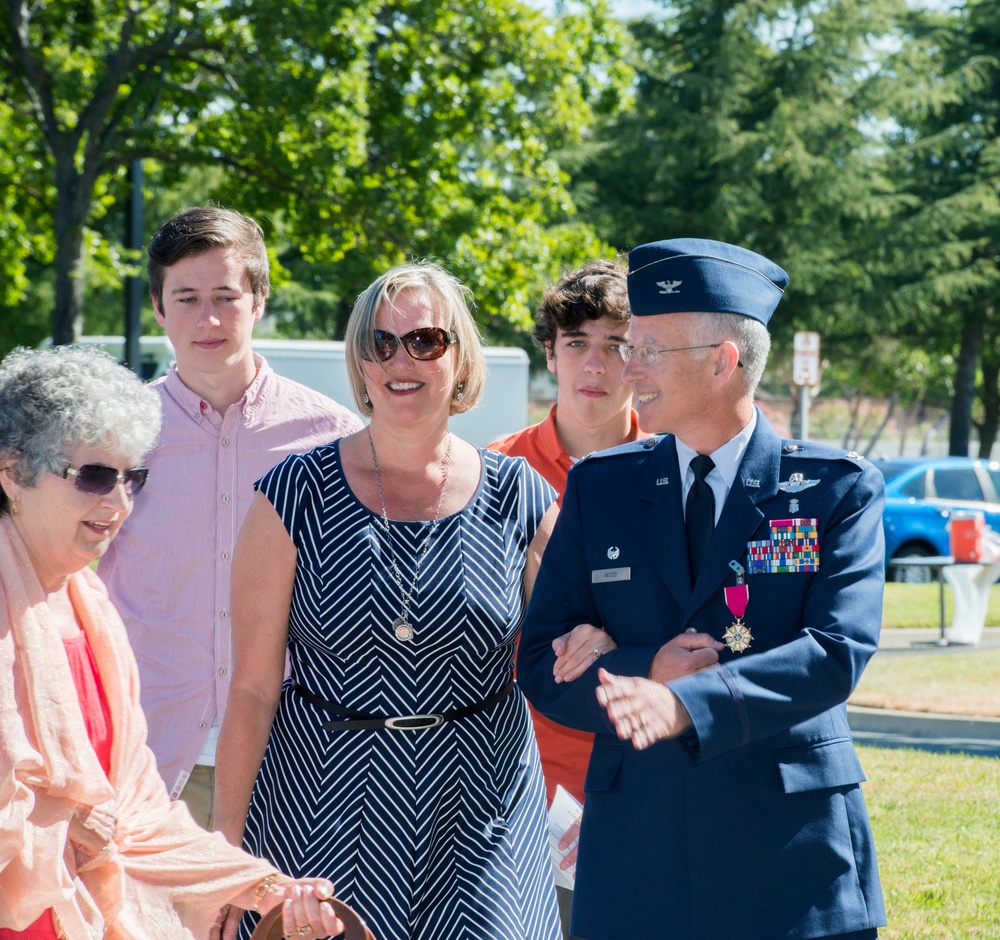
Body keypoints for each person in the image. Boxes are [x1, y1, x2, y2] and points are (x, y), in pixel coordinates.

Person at [519, 237, 887, 940]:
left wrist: (681, 699)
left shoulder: (833, 490)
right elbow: (541, 660)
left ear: (724, 363)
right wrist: (639, 667)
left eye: (650, 349)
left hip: (788, 854)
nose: (629, 367)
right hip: (639, 851)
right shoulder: (604, 486)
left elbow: (837, 651)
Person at [213, 261, 562, 940]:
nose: (401, 360)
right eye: (381, 344)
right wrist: (226, 845)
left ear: (459, 358)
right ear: (360, 362)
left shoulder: (520, 497)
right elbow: (253, 690)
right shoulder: (292, 495)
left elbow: (577, 641)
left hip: (480, 808)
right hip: (320, 800)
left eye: (425, 341)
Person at [0, 346, 349, 940]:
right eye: (93, 476)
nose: (117, 502)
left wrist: (267, 888)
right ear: (12, 472)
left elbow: (137, 813)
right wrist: (64, 819)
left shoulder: (94, 613)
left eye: (131, 477)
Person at [98, 207, 363, 828]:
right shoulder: (112, 438)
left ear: (260, 299)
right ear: (158, 309)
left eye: (226, 295)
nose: (208, 319)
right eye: (186, 298)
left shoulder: (334, 438)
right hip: (146, 759)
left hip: (299, 763)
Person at [488, 259, 647, 939]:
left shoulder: (680, 468)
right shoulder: (494, 471)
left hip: (648, 772)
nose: (596, 363)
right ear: (549, 352)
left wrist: (622, 639)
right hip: (522, 782)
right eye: (577, 341)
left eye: (617, 344)